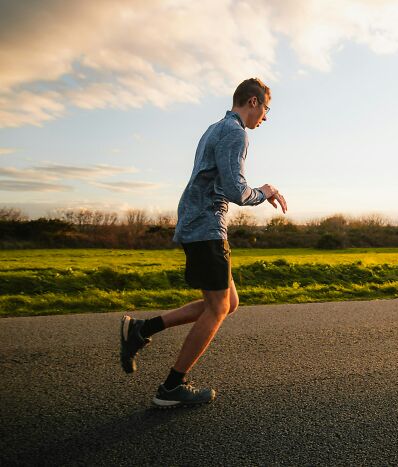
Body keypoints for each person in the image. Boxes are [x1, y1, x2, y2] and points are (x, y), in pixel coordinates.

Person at [119, 78, 287, 408]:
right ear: (252, 102)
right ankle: (171, 387)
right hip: (206, 225)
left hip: (200, 221)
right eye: (266, 109)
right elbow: (236, 191)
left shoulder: (216, 127)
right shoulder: (236, 132)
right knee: (219, 307)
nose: (265, 117)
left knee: (228, 303)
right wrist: (263, 192)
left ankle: (141, 329)